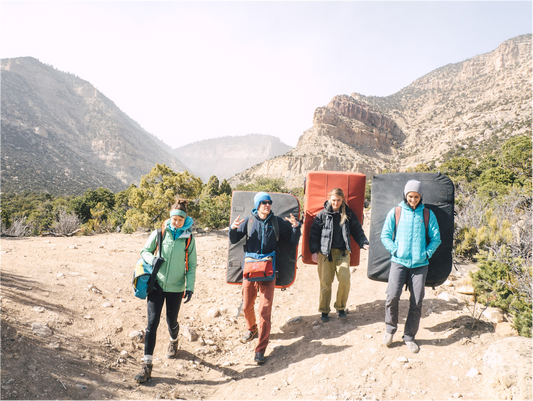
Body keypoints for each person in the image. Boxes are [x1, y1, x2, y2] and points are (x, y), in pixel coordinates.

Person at [229, 192, 301, 365]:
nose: (267, 205)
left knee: (265, 310)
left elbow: (292, 241)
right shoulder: (248, 221)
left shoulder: (277, 222)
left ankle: (260, 350)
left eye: (269, 202)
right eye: (263, 202)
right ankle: (252, 328)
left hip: (269, 271)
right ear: (257, 205)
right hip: (250, 269)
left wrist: (296, 227)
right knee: (246, 305)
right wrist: (233, 229)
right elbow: (234, 240)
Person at [134, 198, 197, 383]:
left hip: (177, 288)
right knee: (151, 325)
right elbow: (144, 251)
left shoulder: (189, 239)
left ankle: (174, 340)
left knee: (171, 321)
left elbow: (192, 266)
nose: (176, 222)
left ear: (184, 220)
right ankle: (147, 366)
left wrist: (190, 287)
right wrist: (152, 260)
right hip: (157, 285)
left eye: (179, 219)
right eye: (174, 219)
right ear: (169, 218)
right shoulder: (159, 233)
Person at [380, 180, 441, 353]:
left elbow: (436, 238)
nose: (413, 199)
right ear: (405, 195)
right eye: (410, 196)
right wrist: (395, 250)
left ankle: (409, 337)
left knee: (417, 301)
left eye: (416, 196)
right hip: (399, 262)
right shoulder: (396, 212)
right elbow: (385, 235)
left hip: (420, 265)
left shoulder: (428, 214)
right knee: (391, 297)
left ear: (420, 197)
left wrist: (426, 254)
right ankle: (390, 330)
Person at [308, 188, 369, 322]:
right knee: (325, 284)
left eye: (339, 200)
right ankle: (324, 311)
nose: (336, 203)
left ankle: (340, 307)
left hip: (342, 253)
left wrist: (364, 243)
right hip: (325, 254)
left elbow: (357, 230)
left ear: (343, 200)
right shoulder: (322, 215)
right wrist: (313, 251)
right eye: (334, 200)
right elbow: (314, 234)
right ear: (330, 199)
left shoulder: (348, 214)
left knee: (345, 281)